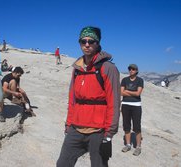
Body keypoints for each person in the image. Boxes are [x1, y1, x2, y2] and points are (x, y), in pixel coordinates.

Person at [57, 26, 120, 167]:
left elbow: (114, 102)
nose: (86, 44)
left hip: (98, 131)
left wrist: (109, 134)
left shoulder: (108, 68)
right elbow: (72, 99)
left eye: (91, 41)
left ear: (97, 43)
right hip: (76, 128)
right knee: (62, 163)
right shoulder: (77, 68)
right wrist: (68, 124)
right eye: (83, 41)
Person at [121, 64, 144, 156]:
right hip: (125, 105)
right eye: (130, 69)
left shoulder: (140, 80)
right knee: (126, 125)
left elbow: (138, 93)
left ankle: (138, 147)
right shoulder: (124, 80)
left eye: (133, 69)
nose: (131, 70)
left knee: (137, 126)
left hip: (136, 106)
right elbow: (121, 92)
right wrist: (132, 93)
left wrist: (127, 92)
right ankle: (128, 144)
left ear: (137, 71)